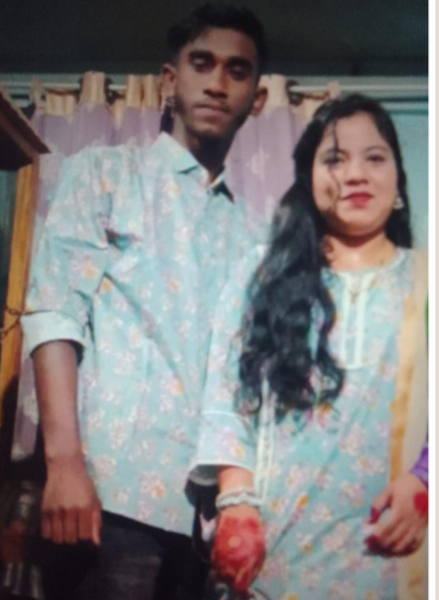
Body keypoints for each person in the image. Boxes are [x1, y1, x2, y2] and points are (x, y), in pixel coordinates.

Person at [19, 3, 270, 599]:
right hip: (104, 500)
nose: (217, 83)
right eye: (201, 64)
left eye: (237, 71)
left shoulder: (252, 236)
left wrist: (236, 504)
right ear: (168, 80)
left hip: (199, 522)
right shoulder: (105, 174)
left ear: (257, 99)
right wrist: (64, 464)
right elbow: (54, 312)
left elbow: (240, 379)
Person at [191, 94, 429, 600]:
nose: (356, 174)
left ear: (398, 180)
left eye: (374, 158)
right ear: (309, 179)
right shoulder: (263, 274)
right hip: (273, 562)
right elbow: (226, 395)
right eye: (335, 159)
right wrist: (235, 499)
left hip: (397, 559)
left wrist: (427, 479)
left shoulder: (432, 281)